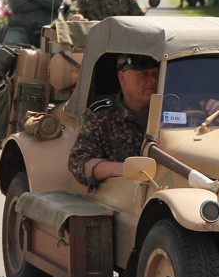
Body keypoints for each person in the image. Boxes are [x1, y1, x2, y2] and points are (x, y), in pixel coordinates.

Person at [68, 54, 159, 190]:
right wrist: (121, 169)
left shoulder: (177, 110)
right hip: (121, 198)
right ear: (123, 78)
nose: (152, 80)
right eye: (143, 74)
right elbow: (78, 163)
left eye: (156, 73)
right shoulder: (101, 115)